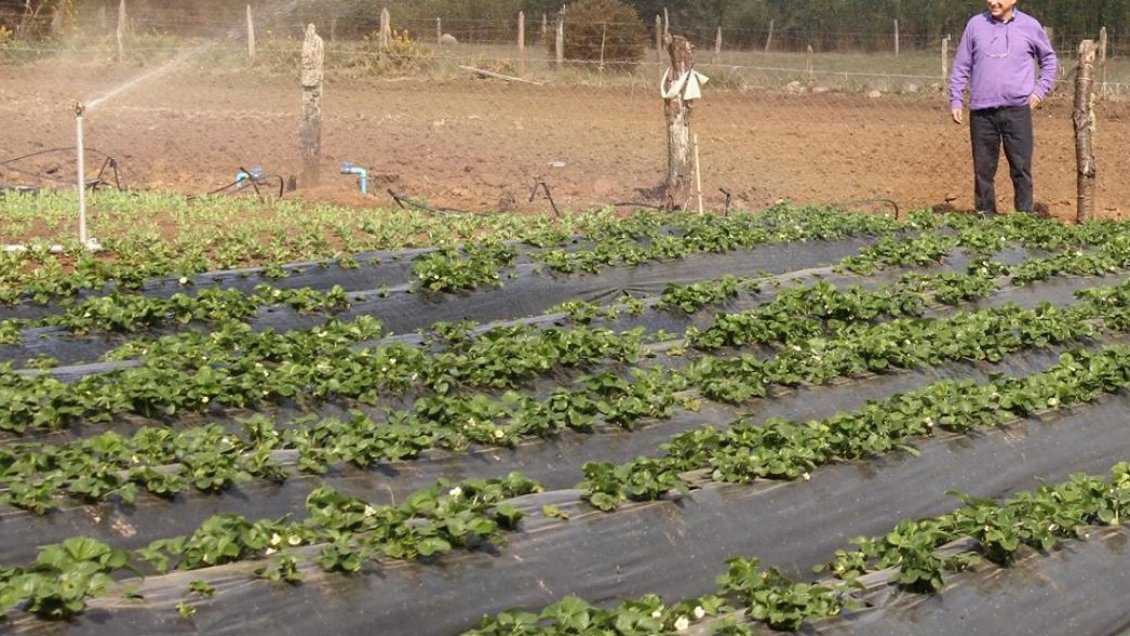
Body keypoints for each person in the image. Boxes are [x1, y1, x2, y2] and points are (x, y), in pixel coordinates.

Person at [948, 0, 1058, 216]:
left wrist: (1039, 91)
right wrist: (956, 99)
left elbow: (1049, 60)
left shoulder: (1029, 25)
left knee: (1021, 169)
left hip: (1016, 110)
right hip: (982, 112)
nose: (992, 2)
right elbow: (962, 65)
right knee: (983, 170)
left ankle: (1024, 218)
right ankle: (985, 217)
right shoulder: (975, 25)